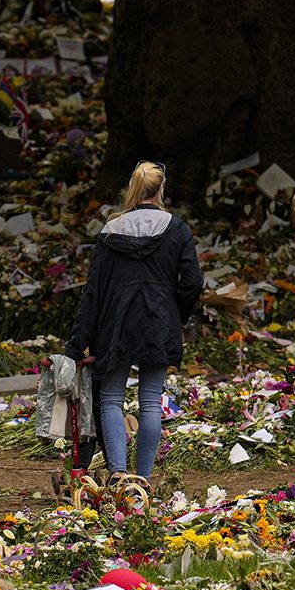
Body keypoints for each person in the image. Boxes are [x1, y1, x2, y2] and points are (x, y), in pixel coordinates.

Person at [64, 162, 202, 482]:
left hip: (115, 324)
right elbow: (193, 282)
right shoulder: (177, 229)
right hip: (159, 320)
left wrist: (77, 342)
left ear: (134, 189)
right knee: (151, 401)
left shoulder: (110, 231)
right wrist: (176, 314)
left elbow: (94, 292)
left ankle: (118, 475)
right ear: (161, 189)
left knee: (111, 398)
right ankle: (144, 480)